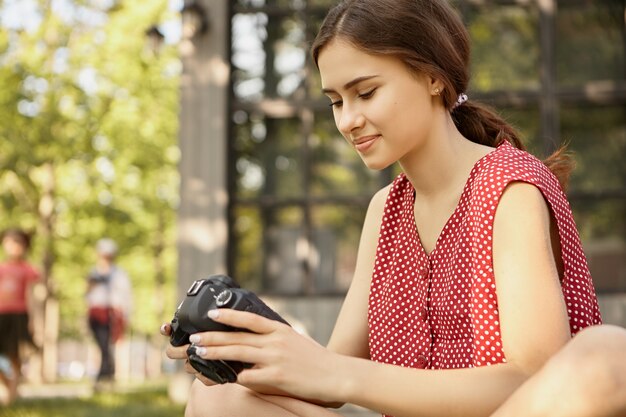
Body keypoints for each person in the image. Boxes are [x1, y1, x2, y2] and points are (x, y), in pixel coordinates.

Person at [162, 1, 619, 416]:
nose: (347, 120)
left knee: (607, 357)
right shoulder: (385, 211)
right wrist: (249, 357)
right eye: (336, 102)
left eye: (366, 92)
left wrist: (335, 372)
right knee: (218, 400)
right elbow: (326, 385)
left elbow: (531, 379)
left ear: (433, 76)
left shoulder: (509, 189)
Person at [0, 228, 40, 404]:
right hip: (1, 315)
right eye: (9, 241)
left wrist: (33, 319)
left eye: (17, 242)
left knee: (14, 355)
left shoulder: (28, 270)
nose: (13, 246)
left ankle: (12, 395)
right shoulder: (1, 268)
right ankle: (8, 384)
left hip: (19, 315)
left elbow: (32, 295)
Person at [86, 238, 132, 386]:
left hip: (111, 314)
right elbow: (88, 294)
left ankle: (104, 375)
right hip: (95, 313)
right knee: (101, 345)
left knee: (107, 345)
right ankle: (106, 373)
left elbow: (125, 296)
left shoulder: (119, 274)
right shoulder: (93, 273)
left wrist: (125, 315)